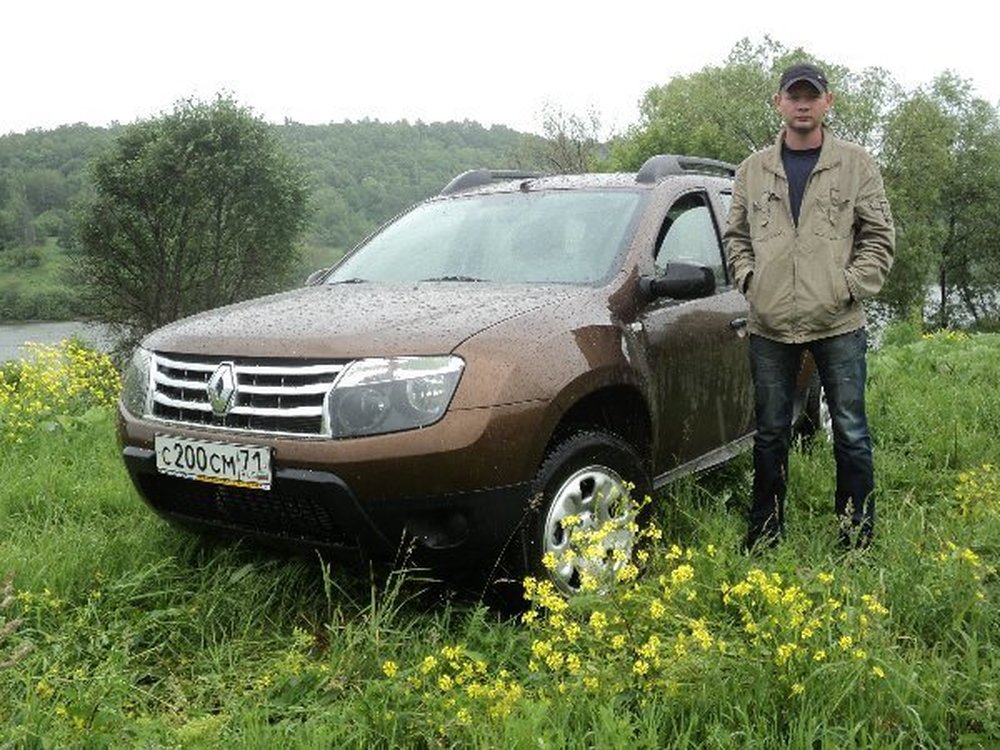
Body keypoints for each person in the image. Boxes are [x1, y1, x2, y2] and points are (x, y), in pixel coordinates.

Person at [723, 62, 895, 552]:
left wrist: (850, 285)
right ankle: (765, 534)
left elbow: (879, 236)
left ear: (827, 102)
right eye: (793, 95)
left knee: (851, 432)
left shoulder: (856, 164)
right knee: (771, 433)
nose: (802, 103)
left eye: (811, 95)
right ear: (778, 103)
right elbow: (735, 237)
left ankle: (856, 537)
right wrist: (751, 281)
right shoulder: (752, 171)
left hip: (838, 321)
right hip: (770, 324)